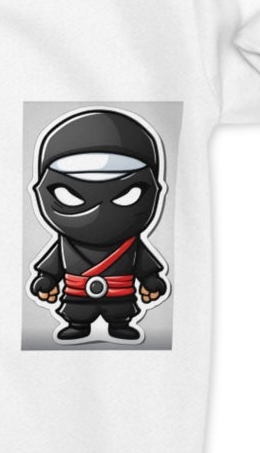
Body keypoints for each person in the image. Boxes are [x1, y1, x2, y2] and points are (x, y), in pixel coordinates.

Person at [30, 108, 169, 341]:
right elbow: (53, 264)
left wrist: (151, 279)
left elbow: (145, 263)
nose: (97, 210)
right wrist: (46, 279)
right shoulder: (66, 243)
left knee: (119, 312)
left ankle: (119, 324)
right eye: (70, 195)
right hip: (77, 296)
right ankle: (78, 324)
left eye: (126, 195)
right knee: (78, 312)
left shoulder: (131, 243)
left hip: (120, 296)